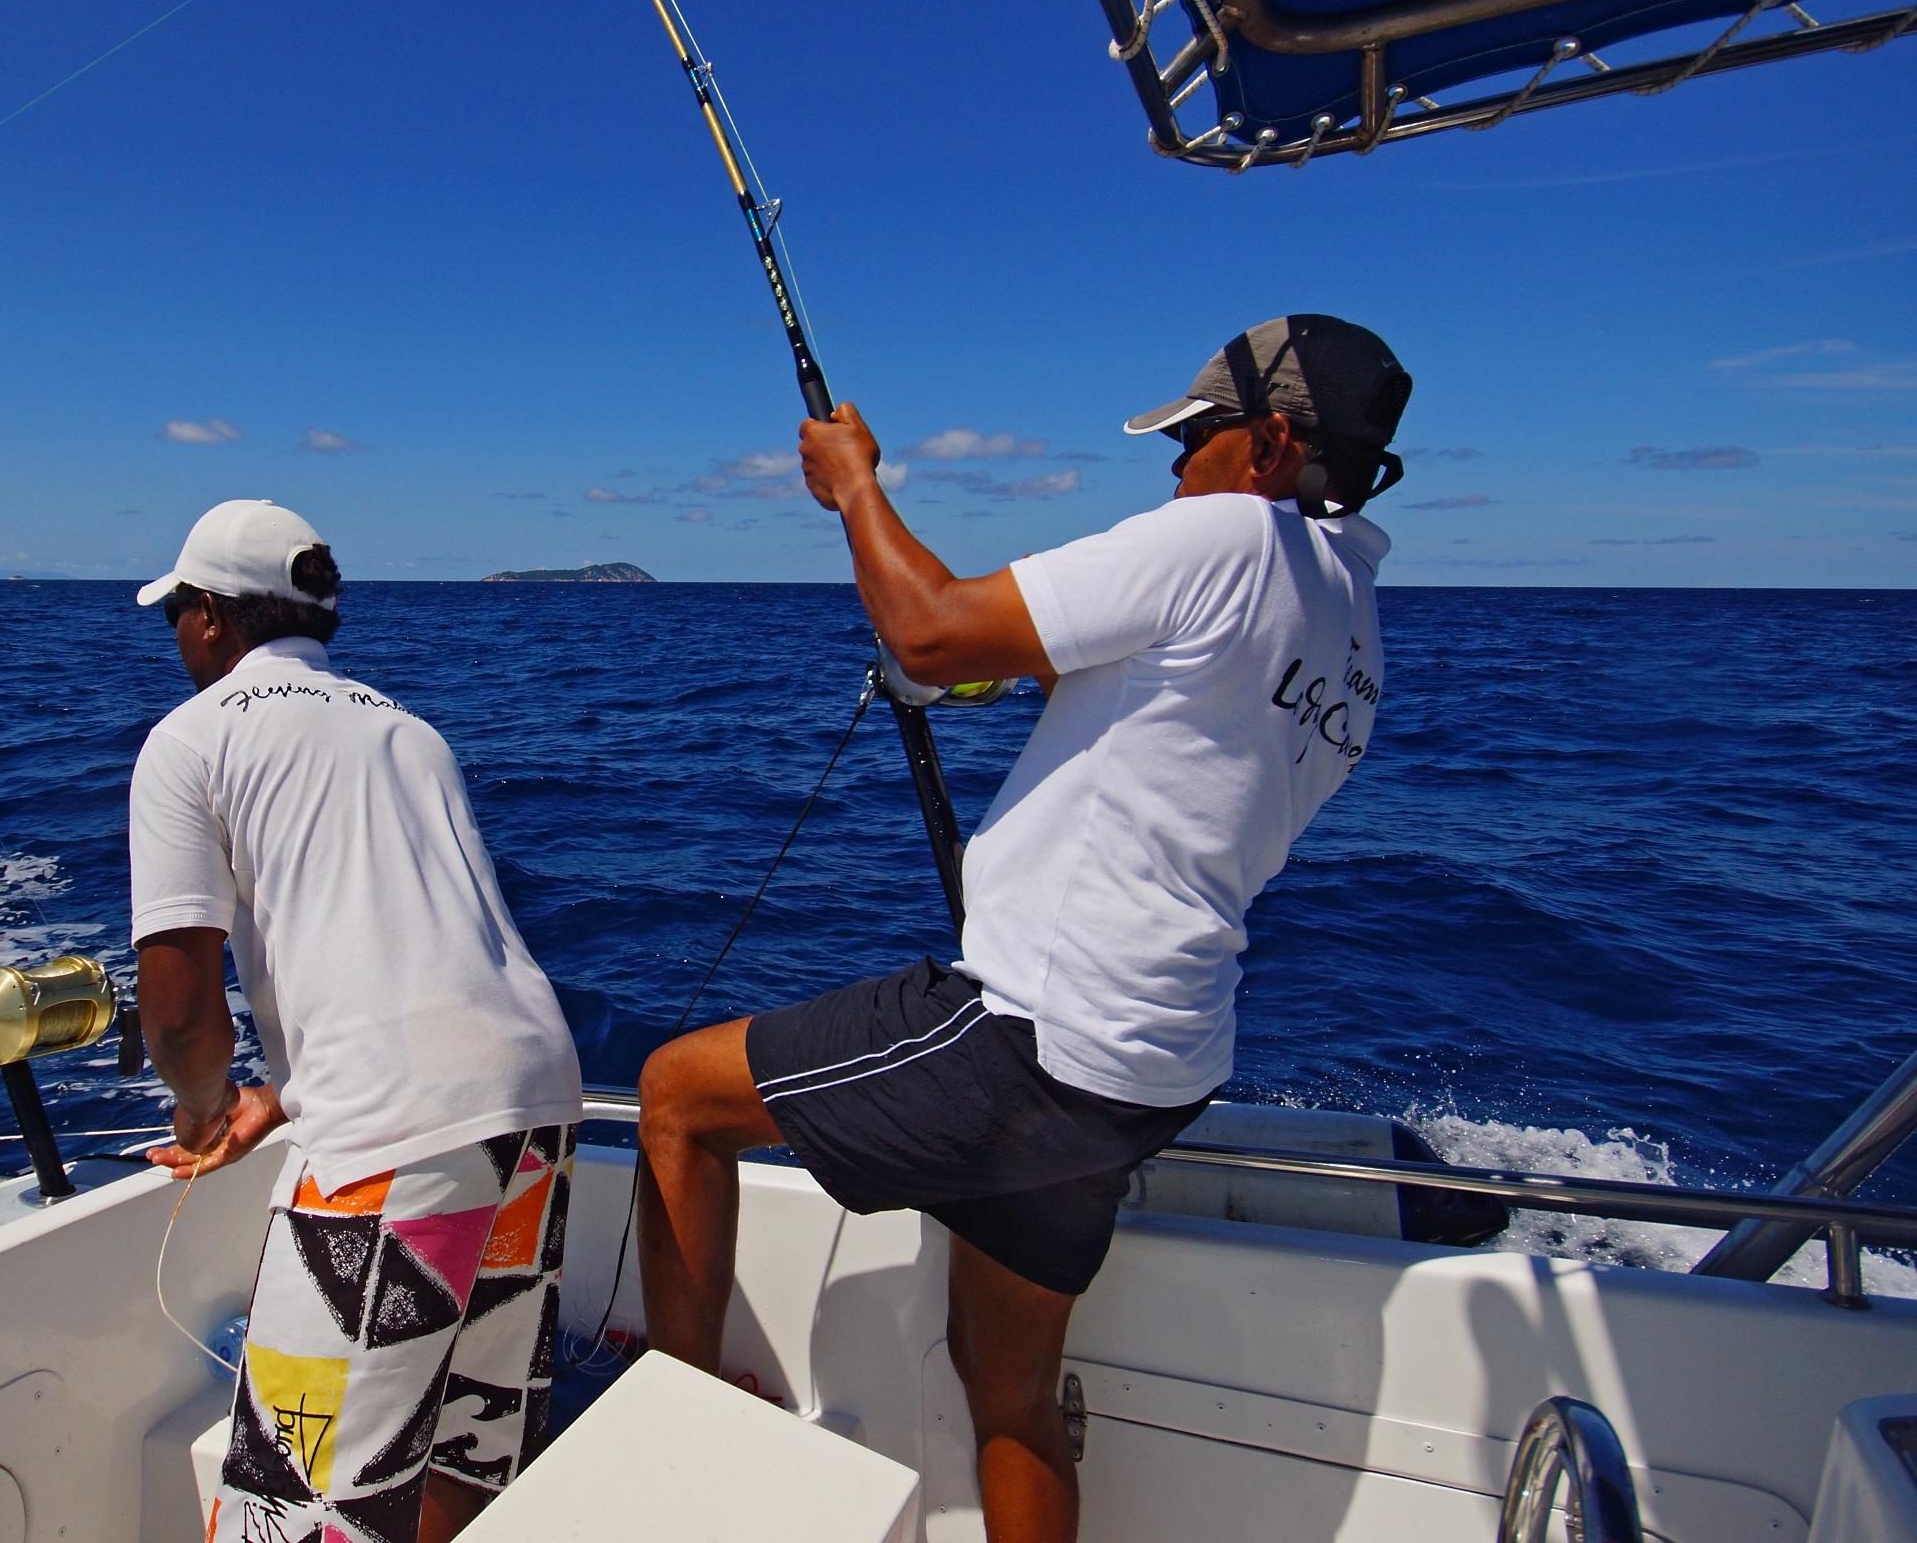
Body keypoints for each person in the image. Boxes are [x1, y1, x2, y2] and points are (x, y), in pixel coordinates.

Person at [635, 317, 1410, 1543]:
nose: (1175, 467)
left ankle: (666, 1433)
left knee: (674, 1095)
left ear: (1265, 443)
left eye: (1196, 437)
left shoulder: (1227, 537)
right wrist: (958, 666)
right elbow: (1101, 684)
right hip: (1153, 1063)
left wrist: (855, 490)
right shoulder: (1351, 626)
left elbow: (930, 626)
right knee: (1005, 1388)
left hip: (1034, 1038)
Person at [126, 498, 585, 1543]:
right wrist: (278, 1098)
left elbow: (181, 1010)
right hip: (533, 1107)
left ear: (209, 615)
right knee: (469, 1448)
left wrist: (204, 1108)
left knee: (294, 1516)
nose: (176, 637)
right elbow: (412, 961)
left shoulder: (192, 739)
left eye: (176, 614)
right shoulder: (406, 730)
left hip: (393, 1140)